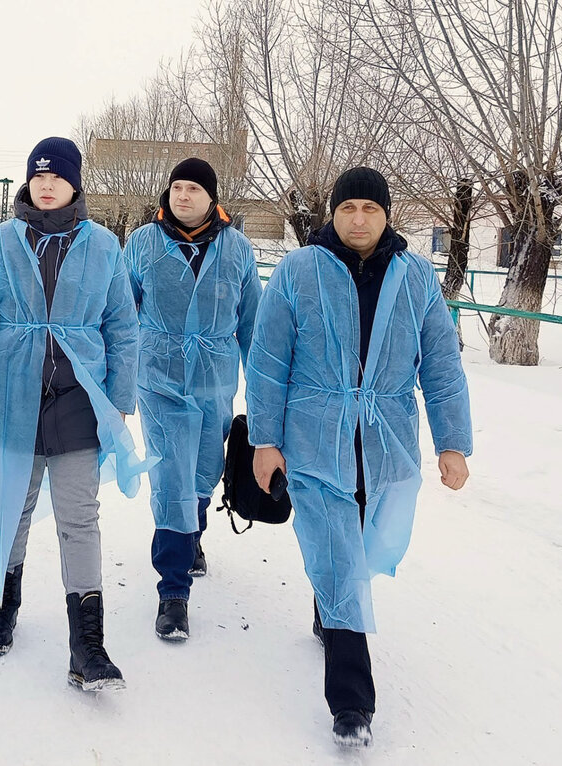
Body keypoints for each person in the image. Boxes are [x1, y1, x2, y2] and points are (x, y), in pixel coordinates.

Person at [245, 167, 472, 748]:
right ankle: (352, 702)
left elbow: (441, 365)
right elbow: (269, 360)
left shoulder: (416, 276)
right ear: (334, 213)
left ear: (387, 214)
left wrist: (452, 443)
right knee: (339, 555)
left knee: (363, 547)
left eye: (371, 208)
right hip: (316, 438)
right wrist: (265, 439)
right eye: (349, 209)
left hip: (384, 441)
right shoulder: (299, 271)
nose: (360, 219)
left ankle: (330, 605)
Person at [0, 137, 149, 691]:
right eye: (37, 176)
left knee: (79, 518)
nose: (45, 184)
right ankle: (2, 603)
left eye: (56, 176)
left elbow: (122, 329)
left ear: (74, 183)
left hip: (78, 400)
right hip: (11, 397)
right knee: (11, 510)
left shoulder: (105, 246)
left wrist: (119, 401)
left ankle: (87, 645)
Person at [123, 158, 262, 641]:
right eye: (176, 187)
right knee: (171, 476)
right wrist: (116, 382)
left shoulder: (237, 249)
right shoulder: (142, 243)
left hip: (215, 380)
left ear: (212, 198)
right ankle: (173, 590)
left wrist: (264, 395)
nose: (182, 196)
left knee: (204, 470)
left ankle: (193, 535)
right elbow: (121, 316)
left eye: (193, 189)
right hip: (157, 374)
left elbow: (253, 328)